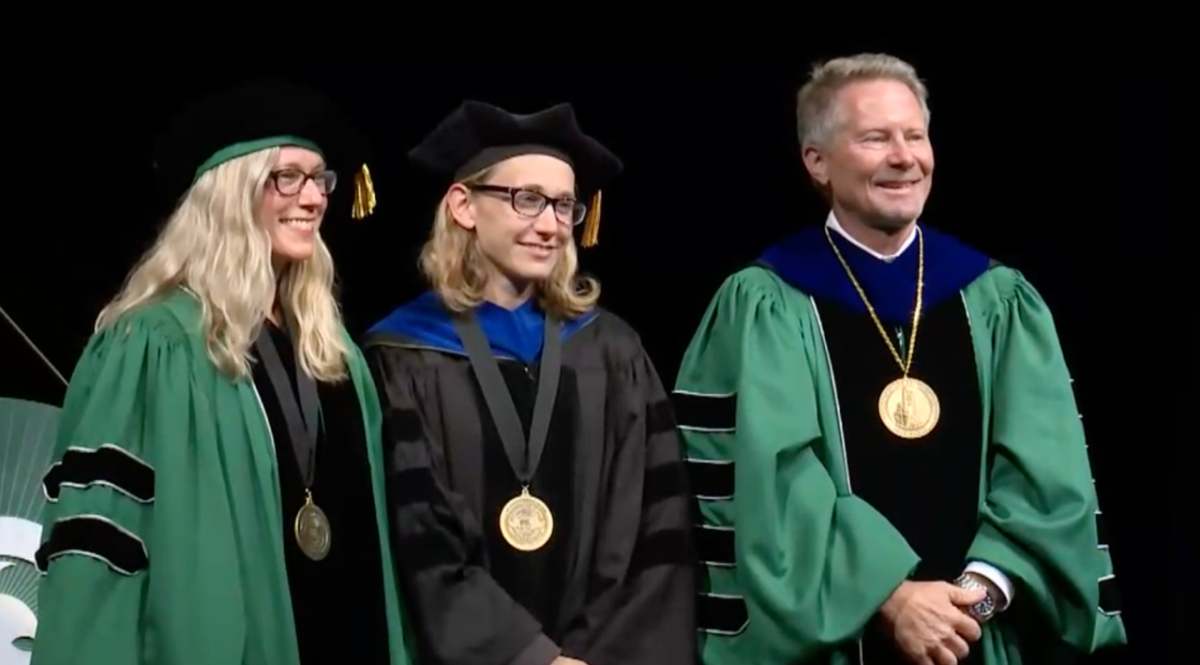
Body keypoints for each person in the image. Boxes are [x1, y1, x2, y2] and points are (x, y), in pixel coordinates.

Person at [674, 54, 1127, 665]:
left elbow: (1048, 475)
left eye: (915, 135)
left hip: (978, 640)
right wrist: (892, 598)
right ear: (817, 161)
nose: (904, 157)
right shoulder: (765, 304)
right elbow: (771, 483)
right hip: (836, 647)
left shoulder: (996, 299)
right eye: (874, 138)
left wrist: (971, 601)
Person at [31, 80, 413, 665]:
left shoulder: (333, 354)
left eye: (320, 179)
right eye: (288, 176)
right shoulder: (153, 343)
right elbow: (100, 552)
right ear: (231, 193)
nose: (313, 198)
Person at [363, 100, 695, 665]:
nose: (550, 225)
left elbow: (657, 530)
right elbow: (418, 538)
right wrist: (528, 656)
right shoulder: (403, 353)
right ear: (463, 206)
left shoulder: (613, 350)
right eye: (527, 199)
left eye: (564, 206)